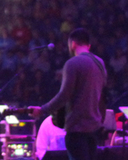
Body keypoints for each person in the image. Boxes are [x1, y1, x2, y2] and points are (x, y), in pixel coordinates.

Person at [30, 29, 106, 160]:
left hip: (77, 128)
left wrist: (42, 110)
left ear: (73, 44)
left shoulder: (72, 63)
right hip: (94, 128)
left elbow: (64, 95)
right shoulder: (100, 63)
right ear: (89, 45)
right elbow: (101, 95)